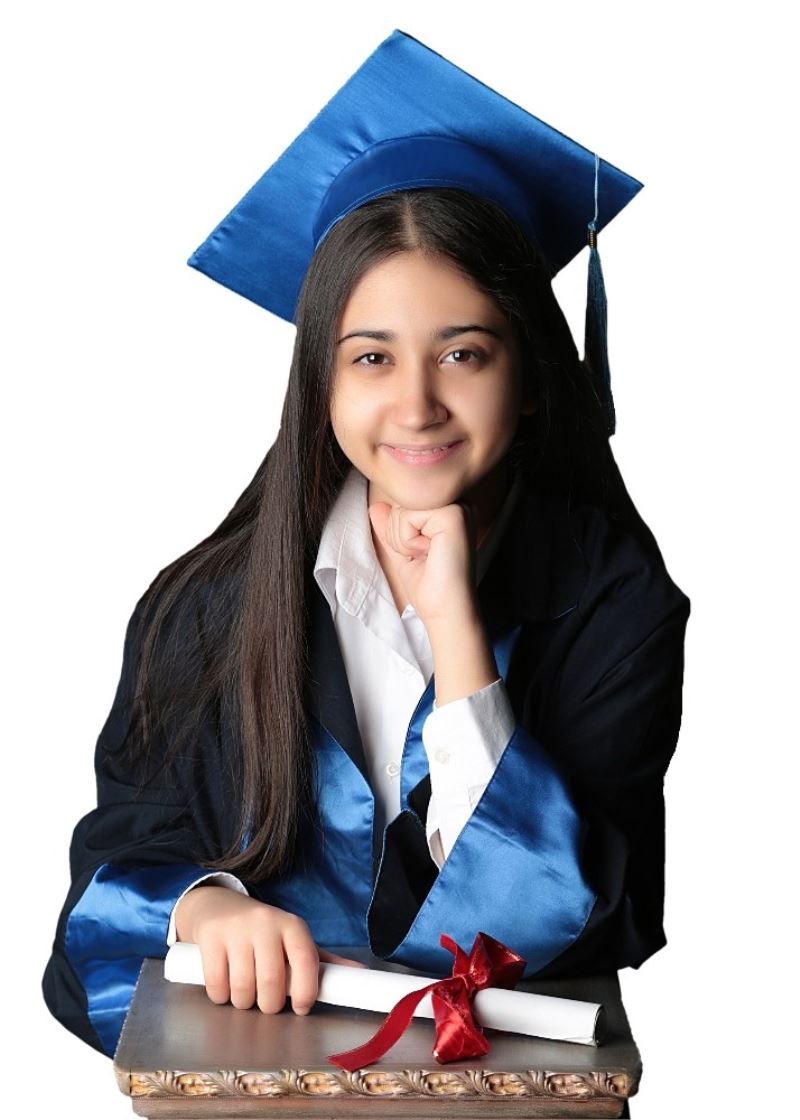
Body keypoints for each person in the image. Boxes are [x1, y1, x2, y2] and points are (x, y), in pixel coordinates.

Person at [42, 29, 690, 1059]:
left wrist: (457, 635)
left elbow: (570, 917)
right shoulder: (203, 606)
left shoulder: (612, 603)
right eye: (371, 358)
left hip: (506, 1099)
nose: (417, 404)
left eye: (463, 354)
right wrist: (203, 908)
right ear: (321, 383)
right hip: (262, 1086)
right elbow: (118, 866)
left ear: (528, 376)